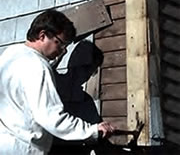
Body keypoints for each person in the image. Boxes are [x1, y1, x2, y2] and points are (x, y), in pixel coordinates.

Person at [0, 9, 115, 155]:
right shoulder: (38, 67)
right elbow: (51, 117)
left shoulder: (10, 55)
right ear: (42, 35)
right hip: (24, 148)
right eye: (59, 44)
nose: (62, 51)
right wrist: (92, 130)